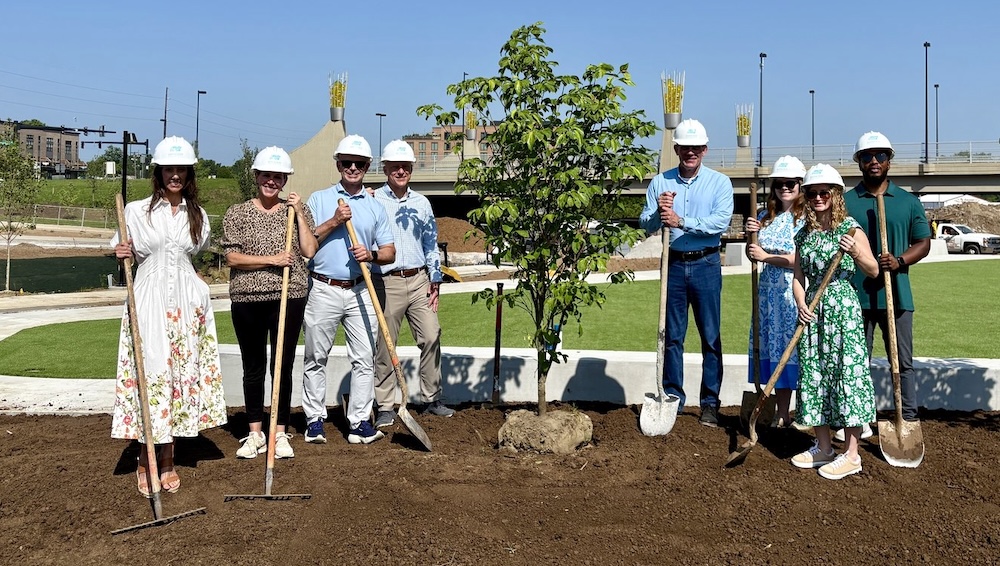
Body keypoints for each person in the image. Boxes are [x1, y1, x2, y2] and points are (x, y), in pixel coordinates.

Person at [111, 136, 227, 497]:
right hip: (149, 300)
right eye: (168, 170)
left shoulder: (199, 215)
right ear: (158, 173)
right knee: (153, 372)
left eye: (181, 170)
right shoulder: (136, 211)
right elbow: (121, 250)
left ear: (188, 174)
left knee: (179, 374)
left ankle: (168, 460)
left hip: (187, 304)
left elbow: (194, 254)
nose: (174, 175)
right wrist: (119, 251)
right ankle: (145, 460)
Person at [221, 146, 318, 459]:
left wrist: (300, 212)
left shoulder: (295, 212)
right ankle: (255, 433)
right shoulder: (237, 212)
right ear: (256, 176)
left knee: (282, 365)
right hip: (248, 298)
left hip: (288, 298)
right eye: (267, 175)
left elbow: (309, 250)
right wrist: (272, 259)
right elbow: (232, 257)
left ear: (285, 180)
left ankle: (280, 431)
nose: (272, 182)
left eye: (278, 177)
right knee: (254, 366)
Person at [300, 134, 396, 445]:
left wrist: (370, 255)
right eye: (346, 163)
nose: (352, 168)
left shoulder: (375, 206)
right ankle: (314, 420)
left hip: (360, 290)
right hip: (324, 287)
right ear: (338, 165)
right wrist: (334, 221)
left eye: (359, 163)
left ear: (368, 167)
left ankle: (358, 423)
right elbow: (308, 244)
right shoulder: (319, 199)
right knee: (316, 355)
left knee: (364, 358)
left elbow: (390, 252)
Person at [639, 119, 734, 427]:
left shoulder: (719, 183)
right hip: (674, 265)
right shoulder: (660, 183)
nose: (690, 152)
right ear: (676, 149)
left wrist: (681, 220)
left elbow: (720, 223)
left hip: (706, 264)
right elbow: (645, 224)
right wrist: (659, 213)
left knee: (711, 337)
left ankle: (709, 403)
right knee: (672, 338)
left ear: (704, 150)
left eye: (696, 148)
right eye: (684, 148)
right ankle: (672, 399)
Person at [790, 164, 879, 480]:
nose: (817, 197)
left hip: (842, 311)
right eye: (811, 193)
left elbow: (873, 270)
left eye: (823, 192)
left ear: (835, 195)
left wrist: (855, 251)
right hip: (813, 313)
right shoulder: (804, 234)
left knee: (847, 376)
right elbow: (798, 277)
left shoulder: (850, 229)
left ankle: (852, 454)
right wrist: (801, 303)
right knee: (815, 375)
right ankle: (824, 447)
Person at [842, 132, 932, 441]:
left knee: (902, 361)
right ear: (859, 163)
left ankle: (907, 415)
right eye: (867, 156)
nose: (874, 161)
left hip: (897, 295)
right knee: (856, 362)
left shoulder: (907, 201)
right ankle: (861, 417)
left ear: (889, 160)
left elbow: (923, 242)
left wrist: (900, 260)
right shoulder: (845, 202)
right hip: (856, 297)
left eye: (880, 155)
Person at [370, 140, 455, 429]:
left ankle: (432, 398)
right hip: (387, 280)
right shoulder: (373, 200)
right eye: (395, 166)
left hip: (419, 280)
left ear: (411, 169)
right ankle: (384, 405)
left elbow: (431, 243)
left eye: (405, 166)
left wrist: (435, 279)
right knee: (385, 345)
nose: (400, 171)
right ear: (385, 168)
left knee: (431, 335)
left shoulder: (422, 203)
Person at [745, 155, 807, 427]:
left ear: (800, 185)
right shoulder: (764, 217)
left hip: (791, 291)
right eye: (780, 183)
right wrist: (752, 238)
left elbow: (801, 259)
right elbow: (753, 254)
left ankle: (805, 413)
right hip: (767, 295)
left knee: (794, 351)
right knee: (773, 350)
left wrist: (765, 256)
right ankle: (781, 412)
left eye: (790, 183)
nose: (785, 188)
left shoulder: (806, 218)